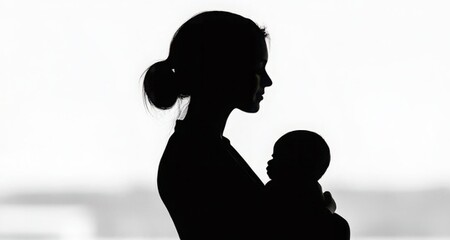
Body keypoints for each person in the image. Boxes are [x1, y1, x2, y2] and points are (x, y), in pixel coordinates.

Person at [143, 11, 339, 239]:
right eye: (257, 68)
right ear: (223, 69)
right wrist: (324, 215)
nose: (267, 80)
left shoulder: (200, 149)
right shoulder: (199, 156)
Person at [265, 130, 350, 239]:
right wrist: (329, 209)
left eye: (278, 157)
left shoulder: (272, 195)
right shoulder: (338, 225)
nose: (269, 162)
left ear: (299, 163)